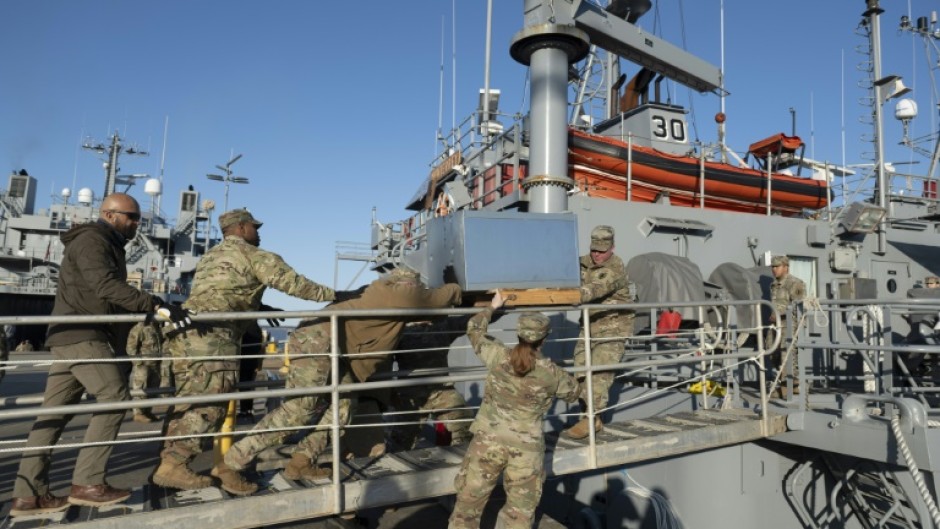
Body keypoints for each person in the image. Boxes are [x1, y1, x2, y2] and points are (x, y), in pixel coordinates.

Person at [11, 193, 192, 517]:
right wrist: (156, 303)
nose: (137, 223)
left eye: (138, 218)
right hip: (84, 335)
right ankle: (88, 484)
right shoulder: (94, 240)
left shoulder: (102, 241)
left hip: (72, 335)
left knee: (52, 416)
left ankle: (27, 496)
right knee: (115, 396)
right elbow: (105, 286)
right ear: (110, 215)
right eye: (132, 217)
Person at [214, 267, 462, 495]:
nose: (420, 292)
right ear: (407, 285)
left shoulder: (385, 295)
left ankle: (301, 461)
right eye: (418, 288)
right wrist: (456, 286)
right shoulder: (397, 293)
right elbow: (437, 299)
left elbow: (432, 313)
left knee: (343, 407)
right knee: (298, 410)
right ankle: (231, 464)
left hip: (334, 348)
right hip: (319, 340)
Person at [153, 208, 337, 492]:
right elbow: (295, 284)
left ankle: (171, 462)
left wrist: (259, 308)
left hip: (188, 331)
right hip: (214, 335)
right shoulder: (253, 255)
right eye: (254, 227)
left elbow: (223, 293)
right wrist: (338, 295)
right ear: (240, 228)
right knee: (210, 403)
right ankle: (175, 465)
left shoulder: (211, 257)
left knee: (187, 400)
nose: (259, 232)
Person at [448, 291, 581, 529]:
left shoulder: (498, 356)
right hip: (526, 450)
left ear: (518, 333)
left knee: (468, 507)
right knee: (520, 515)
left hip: (488, 442)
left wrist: (493, 306)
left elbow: (474, 328)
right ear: (545, 338)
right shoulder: (552, 374)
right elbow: (573, 393)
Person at [564, 225, 633, 440]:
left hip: (613, 329)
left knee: (600, 376)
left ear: (612, 248)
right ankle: (590, 416)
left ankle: (590, 419)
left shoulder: (615, 268)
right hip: (589, 327)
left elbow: (591, 291)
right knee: (581, 373)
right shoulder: (584, 261)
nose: (597, 255)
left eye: (602, 251)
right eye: (594, 250)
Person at [390, 318, 473, 450]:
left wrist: (493, 308)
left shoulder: (442, 326)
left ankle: (464, 457)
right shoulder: (400, 330)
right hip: (411, 395)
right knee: (402, 439)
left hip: (441, 391)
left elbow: (471, 320)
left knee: (463, 422)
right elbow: (383, 359)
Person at [768, 255, 806, 395]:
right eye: (772, 267)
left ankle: (788, 387)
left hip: (790, 323)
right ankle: (783, 384)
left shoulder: (795, 283)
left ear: (786, 267)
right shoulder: (773, 285)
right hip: (775, 323)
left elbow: (798, 306)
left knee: (787, 354)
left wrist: (781, 313)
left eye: (777, 266)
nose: (774, 269)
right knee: (772, 351)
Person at [126, 321, 163, 423]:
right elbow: (131, 346)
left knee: (153, 388)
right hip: (143, 364)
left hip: (155, 363)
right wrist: (138, 362)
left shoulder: (158, 325)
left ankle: (147, 411)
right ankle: (138, 413)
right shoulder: (140, 326)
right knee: (141, 388)